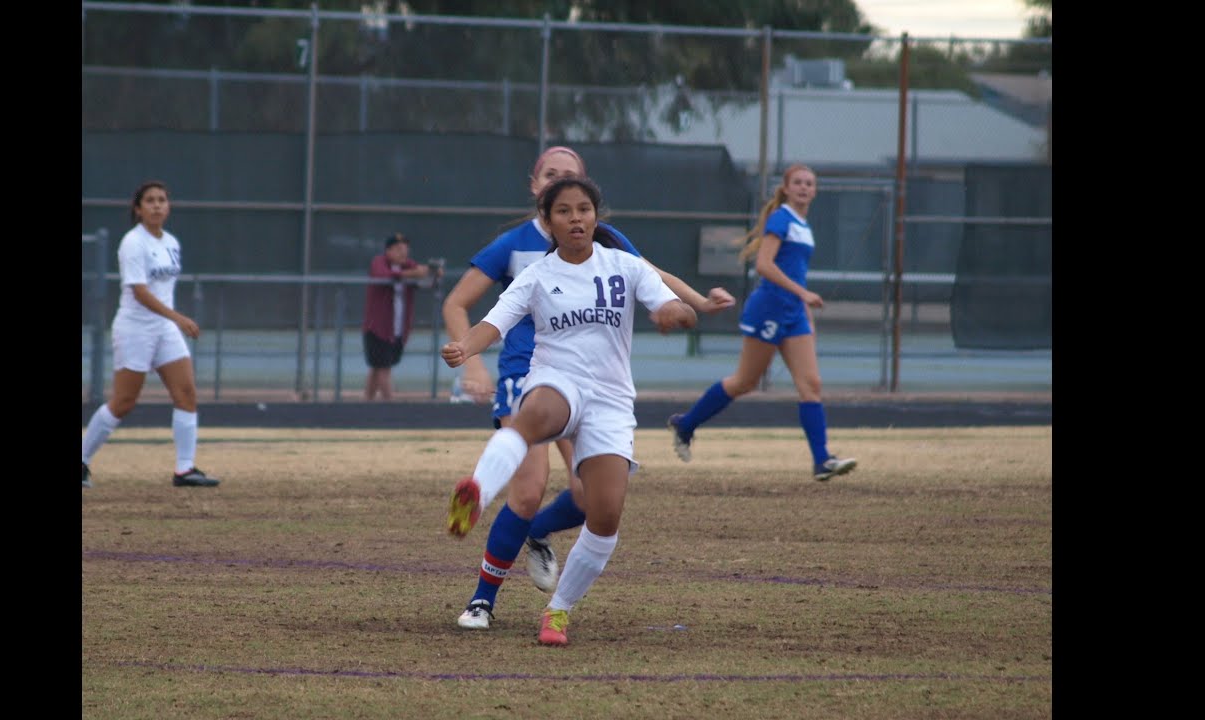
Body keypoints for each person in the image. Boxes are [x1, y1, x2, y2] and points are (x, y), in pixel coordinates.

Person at [441, 146, 735, 631]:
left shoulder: (623, 262)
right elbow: (491, 322)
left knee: (602, 512)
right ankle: (477, 492)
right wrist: (465, 350)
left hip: (611, 400)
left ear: (596, 215)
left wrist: (679, 312)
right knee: (535, 426)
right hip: (555, 378)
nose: (576, 218)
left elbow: (669, 302)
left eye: (583, 209)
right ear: (546, 217)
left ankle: (558, 610)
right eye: (564, 210)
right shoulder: (534, 273)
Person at [666, 163, 857, 481]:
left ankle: (822, 460)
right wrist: (804, 294)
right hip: (768, 309)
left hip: (794, 314)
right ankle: (685, 424)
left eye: (810, 183)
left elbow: (794, 269)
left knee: (812, 385)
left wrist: (804, 309)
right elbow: (765, 266)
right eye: (798, 182)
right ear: (786, 187)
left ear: (816, 190)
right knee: (744, 382)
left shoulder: (803, 224)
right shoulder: (781, 217)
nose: (804, 188)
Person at [81, 181, 220, 489]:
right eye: (150, 201)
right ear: (138, 208)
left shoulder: (170, 241)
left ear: (168, 207)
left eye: (162, 200)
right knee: (124, 401)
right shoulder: (133, 242)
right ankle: (82, 460)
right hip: (135, 328)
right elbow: (140, 292)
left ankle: (184, 470)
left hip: (164, 328)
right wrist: (177, 317)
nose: (157, 205)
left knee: (186, 394)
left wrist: (171, 321)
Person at [363, 232, 440, 400]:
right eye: (398, 249)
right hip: (378, 327)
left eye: (405, 249)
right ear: (388, 251)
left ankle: (366, 402)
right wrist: (413, 273)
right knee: (383, 367)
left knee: (378, 367)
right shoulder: (379, 262)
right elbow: (384, 275)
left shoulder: (407, 265)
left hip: (397, 328)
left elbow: (423, 280)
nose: (403, 253)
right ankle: (391, 406)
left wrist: (432, 273)